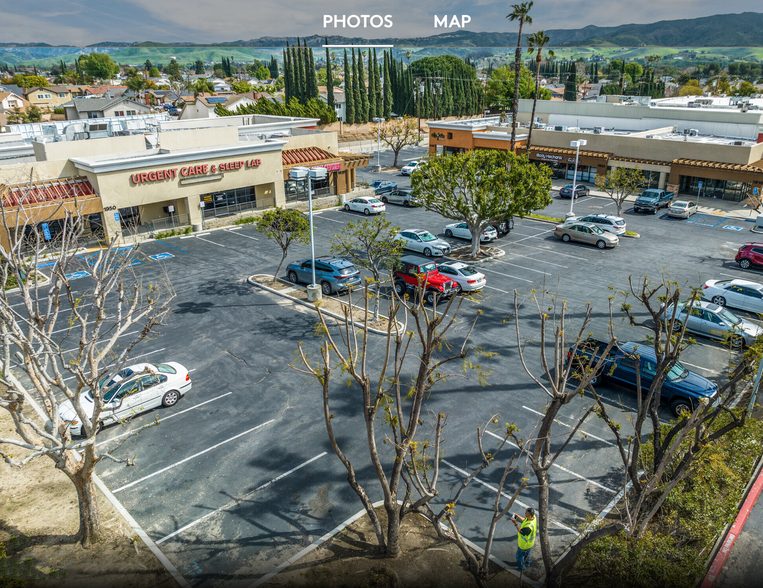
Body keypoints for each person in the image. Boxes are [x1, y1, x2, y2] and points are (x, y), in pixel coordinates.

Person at [512, 507, 537, 572]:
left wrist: (515, 523)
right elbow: (525, 520)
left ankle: (521, 568)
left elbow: (521, 532)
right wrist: (517, 516)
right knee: (527, 554)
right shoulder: (533, 517)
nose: (524, 513)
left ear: (528, 515)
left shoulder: (528, 527)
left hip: (524, 545)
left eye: (525, 513)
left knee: (519, 556)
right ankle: (527, 563)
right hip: (530, 543)